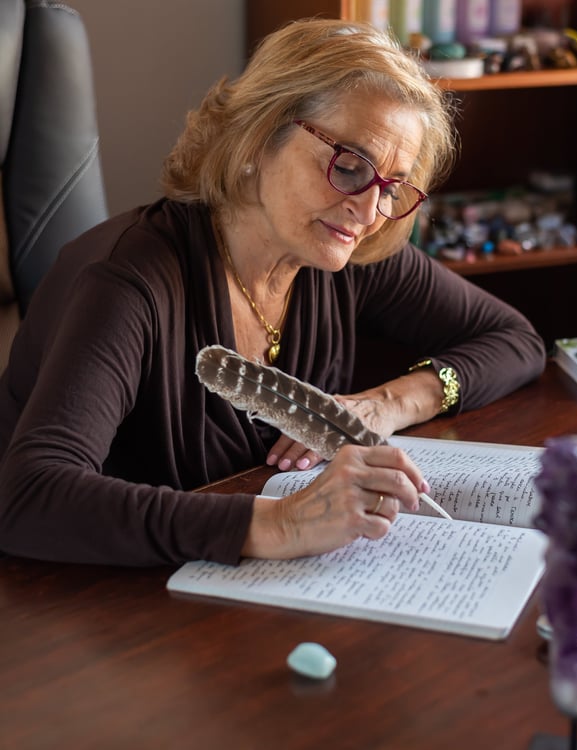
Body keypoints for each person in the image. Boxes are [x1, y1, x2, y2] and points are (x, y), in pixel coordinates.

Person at [0, 18, 546, 567]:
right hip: (86, 597)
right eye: (349, 167)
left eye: (392, 188)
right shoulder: (128, 281)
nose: (369, 212)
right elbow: (30, 498)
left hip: (247, 586)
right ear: (258, 139)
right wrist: (282, 523)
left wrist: (385, 405)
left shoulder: (343, 251)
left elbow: (515, 340)